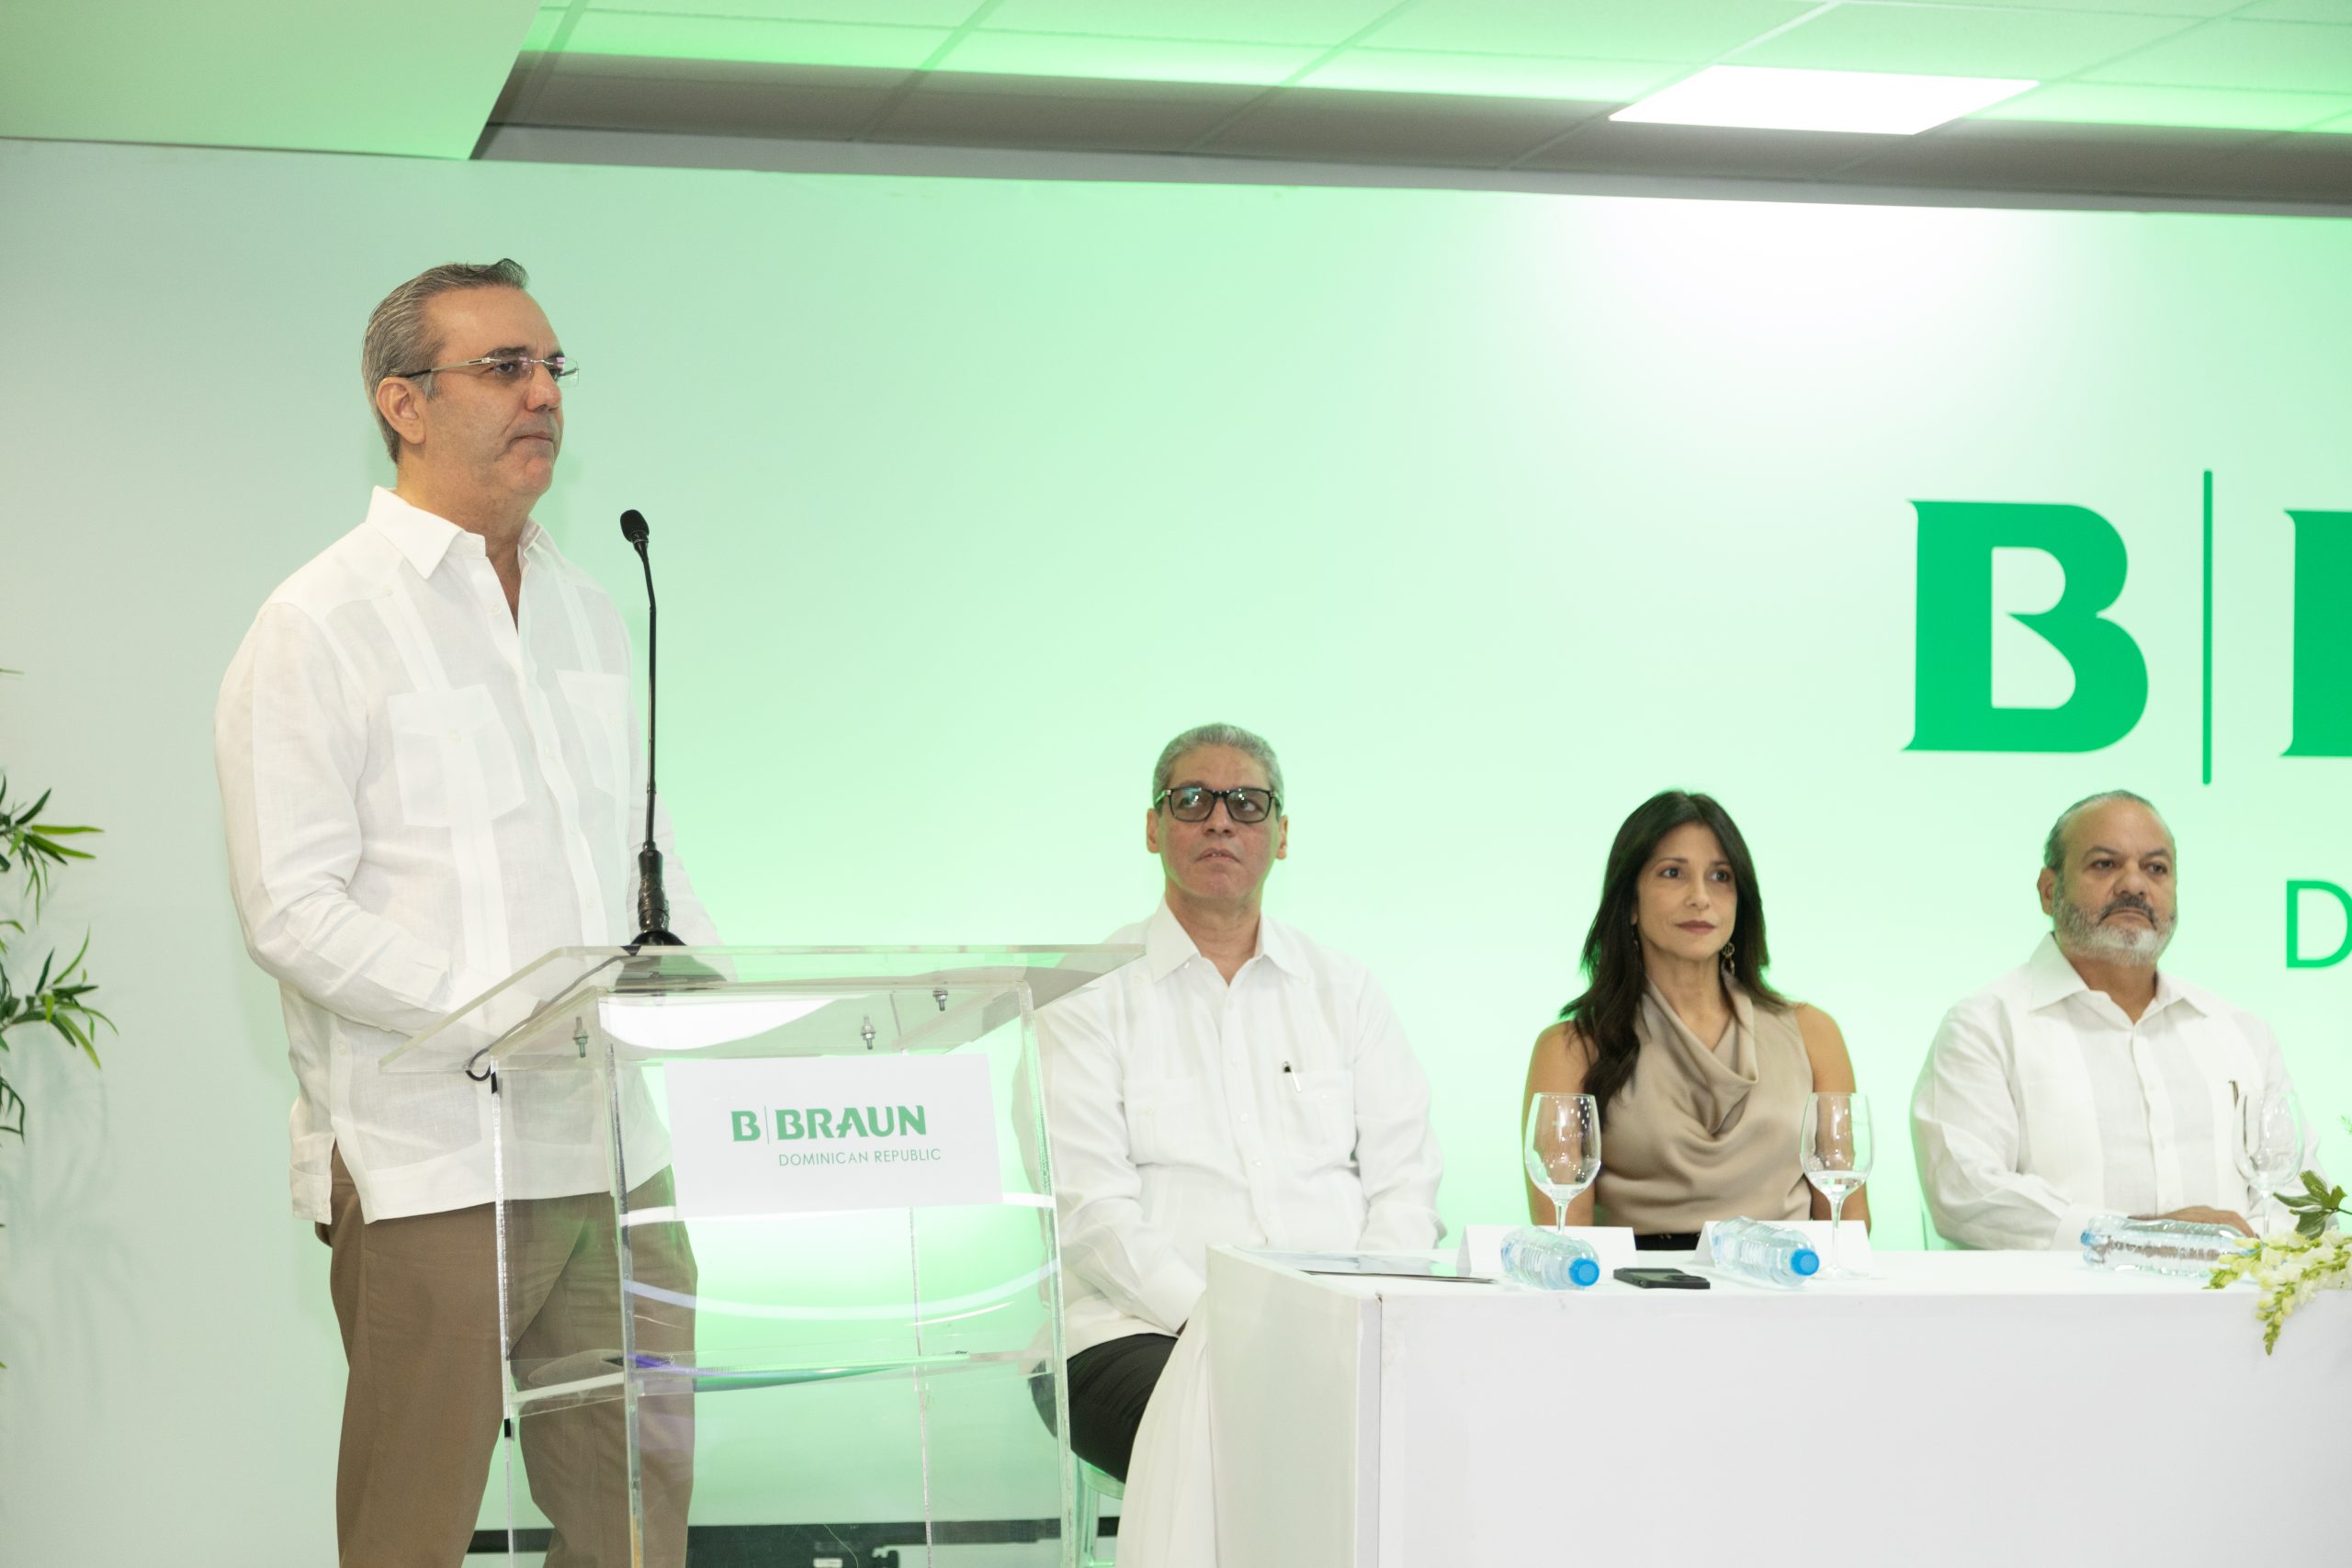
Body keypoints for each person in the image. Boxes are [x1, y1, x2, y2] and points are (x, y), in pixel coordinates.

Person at [216, 259, 714, 1566]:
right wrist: (505, 1013)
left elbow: (641, 852)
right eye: (504, 367)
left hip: (613, 1151)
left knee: (636, 1523)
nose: (543, 393)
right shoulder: (319, 621)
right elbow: (290, 906)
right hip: (432, 1151)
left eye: (552, 367)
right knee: (411, 1530)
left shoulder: (590, 609)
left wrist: (713, 982)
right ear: (405, 404)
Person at [1037, 722, 1443, 1564]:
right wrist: (1234, 1327)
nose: (1220, 819)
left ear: (1281, 834)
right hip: (1135, 1333)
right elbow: (1090, 1215)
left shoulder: (1345, 990)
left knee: (1451, 1415)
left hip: (1338, 1326)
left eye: (1247, 803)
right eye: (1192, 799)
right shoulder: (1083, 994)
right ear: (1153, 827)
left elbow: (1406, 1182)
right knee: (1256, 1429)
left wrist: (1364, 1313)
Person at [1913, 790, 2307, 1249]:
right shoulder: (1985, 1026)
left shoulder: (2240, 1032)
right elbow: (1966, 1195)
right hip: (2053, 1299)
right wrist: (2139, 1237)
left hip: (2231, 1297)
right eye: (2105, 864)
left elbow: (2298, 1198)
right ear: (2048, 890)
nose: (2134, 885)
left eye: (2156, 869)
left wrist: (2240, 1254)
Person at [1522, 790, 1869, 1245]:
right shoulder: (1571, 1048)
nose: (1701, 898)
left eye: (1720, 876)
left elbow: (1848, 1228)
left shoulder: (1813, 1033)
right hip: (1633, 1284)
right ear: (1630, 902)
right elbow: (1563, 1238)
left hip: (1788, 1280)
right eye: (1673, 873)